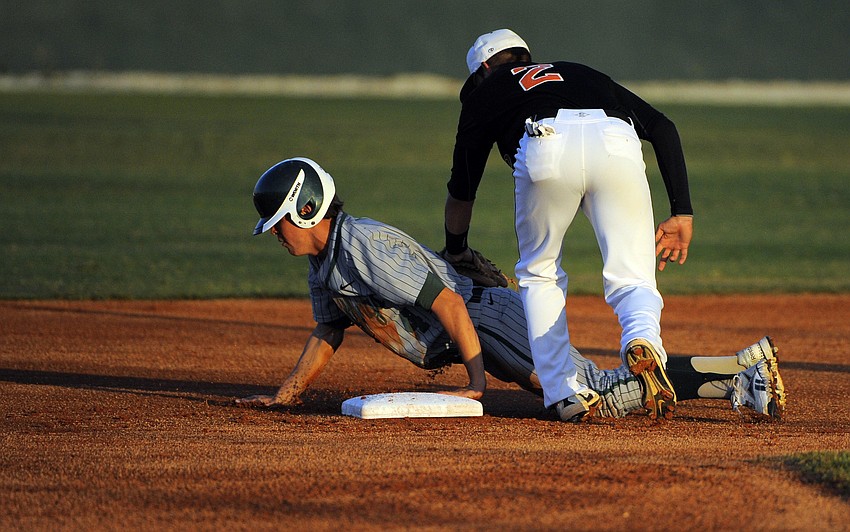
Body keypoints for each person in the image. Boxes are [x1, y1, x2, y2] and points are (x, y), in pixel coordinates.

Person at [235, 157, 784, 421]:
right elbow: (328, 328)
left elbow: (448, 301)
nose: (278, 237)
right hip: (485, 326)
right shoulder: (326, 263)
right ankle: (741, 379)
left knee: (595, 398)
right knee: (591, 393)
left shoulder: (362, 246)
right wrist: (289, 392)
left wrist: (475, 384)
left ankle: (743, 370)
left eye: (281, 224)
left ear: (306, 211)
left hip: (488, 319)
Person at [441, 29, 694, 421]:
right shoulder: (580, 72)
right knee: (634, 276)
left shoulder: (486, 93)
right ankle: (643, 338)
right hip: (616, 141)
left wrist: (455, 246)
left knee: (540, 273)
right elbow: (662, 127)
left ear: (485, 69)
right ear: (526, 56)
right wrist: (681, 212)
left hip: (546, 144)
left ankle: (564, 392)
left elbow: (462, 192)